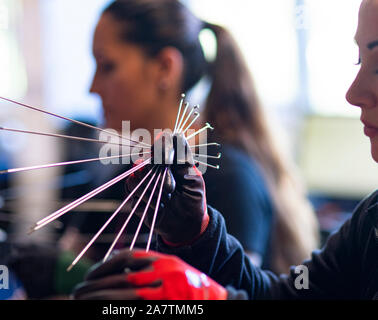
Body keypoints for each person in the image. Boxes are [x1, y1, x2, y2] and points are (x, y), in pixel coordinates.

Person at [72, 0, 378, 300]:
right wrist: (197, 237)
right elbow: (287, 294)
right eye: (359, 61)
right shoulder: (370, 221)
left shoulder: (232, 175)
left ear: (166, 67)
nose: (353, 93)